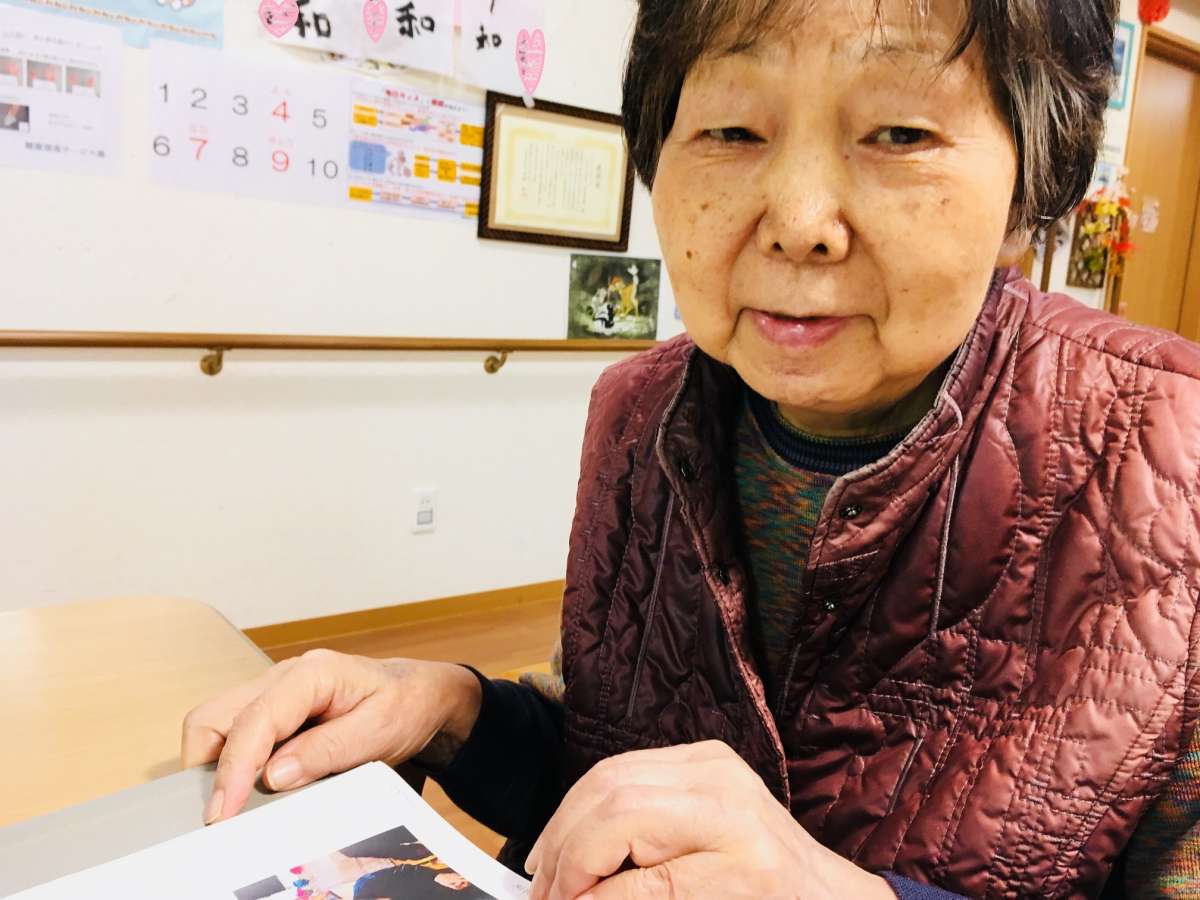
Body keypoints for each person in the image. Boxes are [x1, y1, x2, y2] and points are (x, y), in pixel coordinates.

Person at [182, 0, 1200, 896]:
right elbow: (603, 766)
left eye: (899, 132)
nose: (798, 222)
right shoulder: (641, 414)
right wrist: (454, 712)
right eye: (731, 128)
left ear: (1033, 185)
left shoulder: (1172, 459)